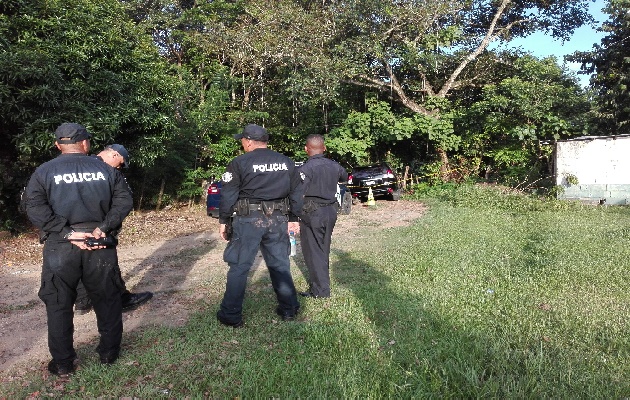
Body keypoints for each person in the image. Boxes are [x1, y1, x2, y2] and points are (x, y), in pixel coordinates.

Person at [24, 123, 133, 376]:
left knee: (59, 303)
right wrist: (102, 228)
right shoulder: (106, 170)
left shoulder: (43, 171)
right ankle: (109, 353)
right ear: (86, 144)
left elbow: (34, 207)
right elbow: (124, 200)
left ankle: (63, 363)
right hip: (99, 242)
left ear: (58, 145)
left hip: (62, 246)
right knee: (107, 298)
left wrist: (66, 232)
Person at [216, 124, 303, 327]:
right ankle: (289, 309)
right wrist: (294, 218)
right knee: (280, 264)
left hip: (249, 220)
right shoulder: (286, 162)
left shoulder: (239, 163)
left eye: (242, 141)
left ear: (248, 141)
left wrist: (224, 221)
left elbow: (228, 195)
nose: (242, 144)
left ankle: (230, 315)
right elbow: (297, 194)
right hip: (278, 219)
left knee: (239, 266)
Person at [74, 144, 153, 315]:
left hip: (71, 232)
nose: (120, 168)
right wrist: (105, 227)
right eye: (121, 163)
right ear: (114, 154)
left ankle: (82, 302)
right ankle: (121, 299)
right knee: (107, 267)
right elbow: (124, 201)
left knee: (79, 264)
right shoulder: (109, 173)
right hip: (99, 229)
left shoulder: (74, 167)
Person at [298, 134, 347, 298]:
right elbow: (344, 177)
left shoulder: (306, 169)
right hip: (331, 211)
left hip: (312, 212)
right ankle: (320, 286)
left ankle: (321, 291)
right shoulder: (334, 165)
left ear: (306, 149)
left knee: (314, 251)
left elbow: (298, 191)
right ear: (324, 148)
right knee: (323, 247)